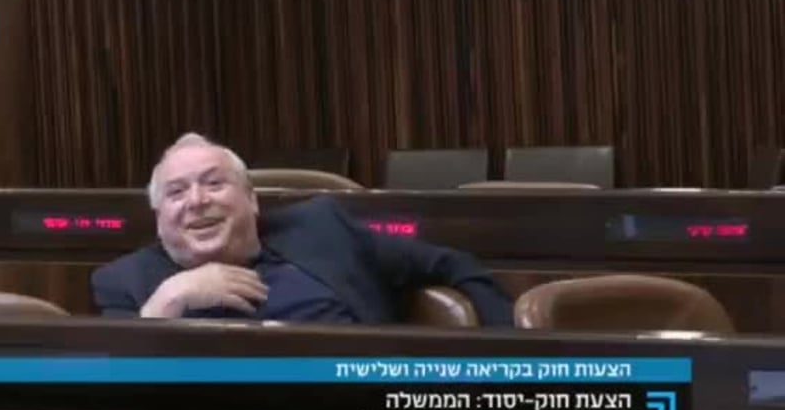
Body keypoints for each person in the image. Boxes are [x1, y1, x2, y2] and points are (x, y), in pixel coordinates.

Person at [91, 133, 513, 326]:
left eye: (214, 183)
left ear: (252, 199)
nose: (197, 201)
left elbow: (453, 264)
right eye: (176, 192)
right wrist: (167, 303)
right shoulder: (125, 283)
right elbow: (117, 398)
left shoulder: (324, 229)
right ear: (158, 215)